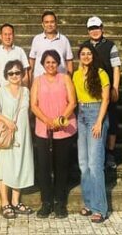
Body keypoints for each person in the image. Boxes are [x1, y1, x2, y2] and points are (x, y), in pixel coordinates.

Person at [30, 49, 76, 219]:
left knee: (61, 167)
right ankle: (46, 202)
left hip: (63, 129)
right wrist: (47, 121)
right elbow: (33, 105)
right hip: (43, 130)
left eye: (54, 62)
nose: (51, 65)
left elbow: (72, 102)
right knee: (44, 167)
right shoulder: (37, 80)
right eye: (47, 62)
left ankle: (60, 202)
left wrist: (60, 119)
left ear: (58, 63)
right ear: (43, 64)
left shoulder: (65, 78)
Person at [0, 60, 34, 219]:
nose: (14, 76)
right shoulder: (1, 92)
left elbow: (30, 111)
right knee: (5, 166)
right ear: (6, 75)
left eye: (17, 72)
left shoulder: (26, 91)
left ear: (22, 74)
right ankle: (5, 202)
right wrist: (8, 121)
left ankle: (16, 201)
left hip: (23, 134)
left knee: (20, 165)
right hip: (7, 134)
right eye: (11, 73)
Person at [73, 43, 110, 223]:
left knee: (95, 164)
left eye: (89, 53)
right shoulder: (76, 75)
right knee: (83, 163)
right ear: (79, 56)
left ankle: (100, 208)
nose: (86, 56)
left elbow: (106, 99)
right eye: (83, 54)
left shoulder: (101, 73)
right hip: (81, 115)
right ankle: (88, 203)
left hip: (96, 114)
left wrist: (99, 122)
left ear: (93, 56)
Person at [81, 16, 121, 169]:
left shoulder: (110, 46)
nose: (94, 31)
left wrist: (115, 88)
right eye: (91, 29)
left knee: (112, 120)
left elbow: (116, 68)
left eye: (97, 28)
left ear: (102, 28)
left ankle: (110, 153)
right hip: (90, 91)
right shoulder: (85, 46)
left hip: (107, 88)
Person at [28, 11, 73, 81]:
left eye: (52, 22)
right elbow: (31, 64)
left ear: (56, 23)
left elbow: (69, 63)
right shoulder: (37, 39)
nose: (49, 24)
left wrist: (68, 81)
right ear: (42, 24)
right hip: (40, 82)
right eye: (46, 22)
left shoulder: (64, 40)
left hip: (60, 82)